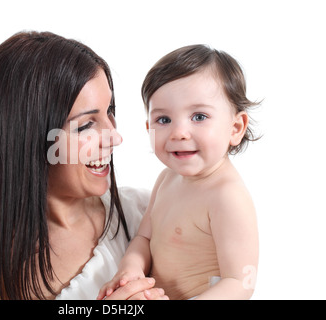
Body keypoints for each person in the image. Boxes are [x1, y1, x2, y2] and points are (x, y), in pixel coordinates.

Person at [0, 31, 168, 300]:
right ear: (27, 138)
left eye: (110, 111)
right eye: (87, 125)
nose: (115, 137)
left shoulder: (147, 217)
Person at [98, 45, 259, 300]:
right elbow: (144, 238)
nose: (179, 132)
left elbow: (240, 283)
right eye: (164, 120)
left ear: (235, 127)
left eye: (199, 116)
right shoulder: (167, 179)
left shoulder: (227, 197)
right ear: (149, 127)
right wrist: (131, 268)